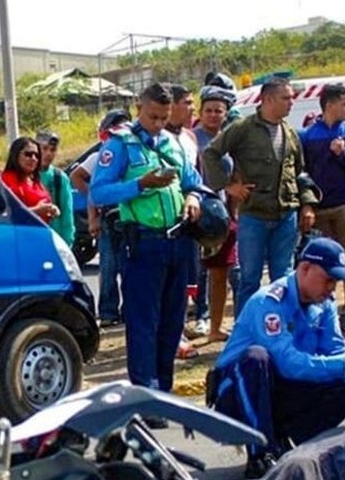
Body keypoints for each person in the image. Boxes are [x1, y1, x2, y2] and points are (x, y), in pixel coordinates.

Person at [209, 237, 345, 479]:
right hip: (235, 398)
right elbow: (288, 363)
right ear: (304, 269)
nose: (331, 288)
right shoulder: (269, 302)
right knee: (256, 357)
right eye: (328, 279)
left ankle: (298, 445)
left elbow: (335, 352)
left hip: (278, 390)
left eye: (335, 282)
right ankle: (260, 454)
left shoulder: (324, 305)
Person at [90, 82, 203, 427]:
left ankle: (164, 394)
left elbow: (192, 180)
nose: (158, 123)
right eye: (153, 116)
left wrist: (193, 198)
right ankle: (146, 398)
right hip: (142, 244)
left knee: (172, 323)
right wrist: (140, 185)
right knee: (143, 325)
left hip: (177, 242)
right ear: (140, 107)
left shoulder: (171, 142)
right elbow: (99, 190)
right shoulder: (120, 145)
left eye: (164, 117)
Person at [203, 76, 320, 318]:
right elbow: (211, 154)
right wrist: (228, 186)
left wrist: (307, 203)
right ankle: (247, 331)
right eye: (285, 98)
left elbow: (300, 172)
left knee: (283, 278)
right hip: (254, 216)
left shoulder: (290, 133)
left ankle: (283, 326)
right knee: (249, 279)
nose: (291, 103)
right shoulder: (243, 128)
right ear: (267, 99)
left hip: (286, 215)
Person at [298, 84, 345, 332]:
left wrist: (344, 153)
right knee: (321, 261)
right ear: (329, 105)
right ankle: (323, 306)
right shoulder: (306, 136)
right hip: (320, 208)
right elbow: (302, 172)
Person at [70, 109, 131, 327]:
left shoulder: (134, 155)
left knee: (129, 267)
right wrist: (93, 213)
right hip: (108, 218)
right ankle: (107, 312)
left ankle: (129, 310)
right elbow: (77, 178)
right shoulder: (100, 157)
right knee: (108, 267)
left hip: (131, 216)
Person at [193, 85, 240, 342]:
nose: (213, 115)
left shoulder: (230, 140)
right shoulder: (191, 138)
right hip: (196, 214)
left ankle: (215, 327)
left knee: (220, 272)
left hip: (222, 215)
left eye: (218, 111)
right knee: (193, 276)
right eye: (208, 110)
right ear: (200, 112)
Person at [165, 83, 203, 359]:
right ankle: (171, 336)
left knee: (189, 280)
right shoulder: (155, 139)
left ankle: (179, 329)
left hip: (190, 221)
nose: (192, 108)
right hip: (164, 224)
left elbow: (197, 178)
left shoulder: (190, 137)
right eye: (187, 103)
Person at [1, 136, 60, 222]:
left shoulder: (35, 181)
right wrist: (36, 211)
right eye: (28, 154)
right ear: (16, 154)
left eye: (37, 156)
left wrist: (52, 209)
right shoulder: (5, 181)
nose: (33, 159)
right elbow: (4, 215)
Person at [36, 130, 76, 247]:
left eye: (52, 150)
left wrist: (67, 242)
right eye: (44, 148)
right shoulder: (24, 175)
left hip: (55, 239)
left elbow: (67, 213)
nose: (48, 153)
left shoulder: (59, 177)